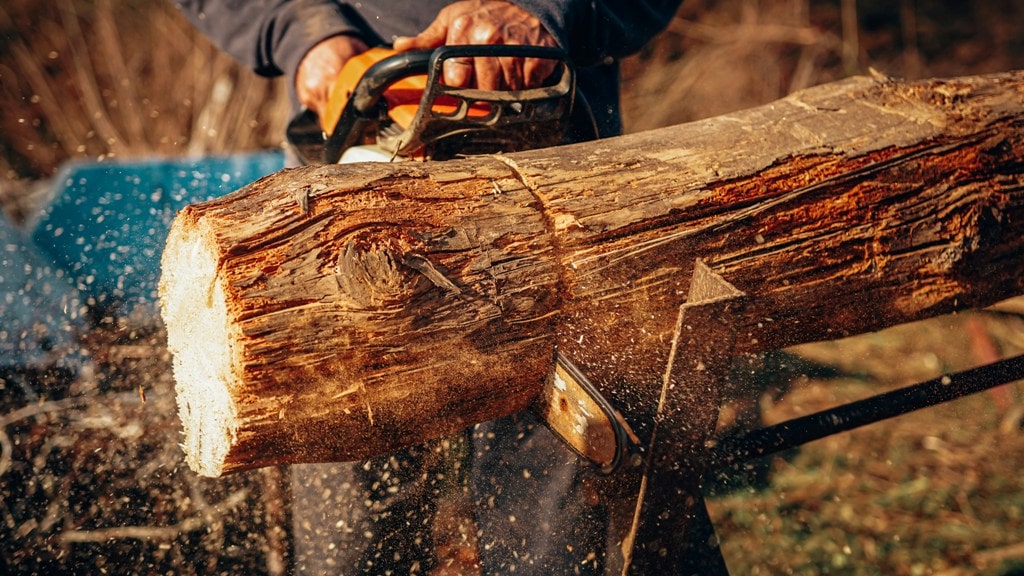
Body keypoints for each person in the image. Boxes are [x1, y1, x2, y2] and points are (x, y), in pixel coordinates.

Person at [174, 2, 683, 573]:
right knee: (350, 543)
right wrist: (300, 30)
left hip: (553, 180)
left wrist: (548, 9)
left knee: (563, 535)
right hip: (344, 189)